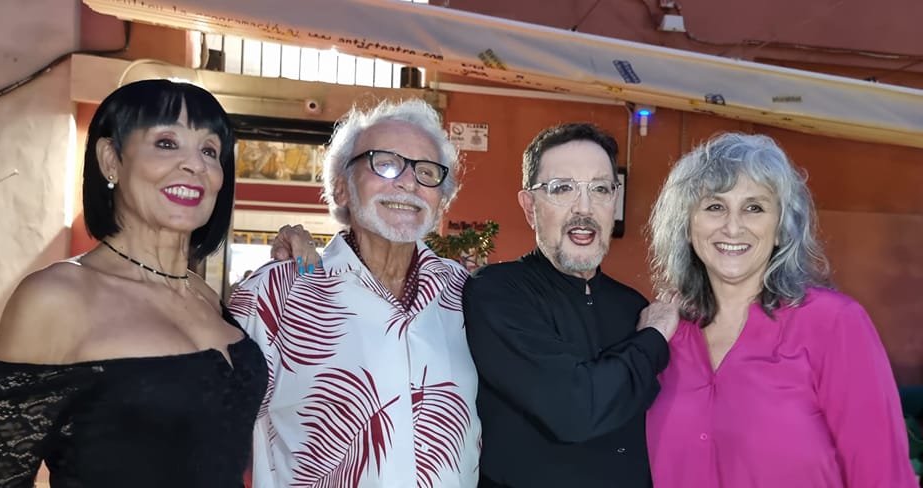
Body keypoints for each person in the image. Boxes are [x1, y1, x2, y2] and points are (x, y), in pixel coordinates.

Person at [0, 79, 268, 487]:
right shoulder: (57, 297)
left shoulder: (205, 296)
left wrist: (306, 267)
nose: (195, 165)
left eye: (209, 150)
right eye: (166, 143)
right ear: (111, 159)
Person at [229, 98, 482, 488]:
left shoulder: (468, 296)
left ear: (441, 201)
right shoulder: (276, 295)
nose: (409, 182)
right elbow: (205, 435)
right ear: (341, 188)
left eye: (427, 171)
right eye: (385, 163)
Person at [645, 132, 917, 487]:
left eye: (754, 208)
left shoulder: (834, 324)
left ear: (780, 229)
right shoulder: (661, 335)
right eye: (714, 206)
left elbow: (883, 474)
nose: (732, 226)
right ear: (686, 225)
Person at [462, 123, 678, 487]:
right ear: (529, 207)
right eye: (562, 188)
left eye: (600, 189)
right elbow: (574, 411)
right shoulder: (497, 292)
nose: (584, 207)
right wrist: (653, 337)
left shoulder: (633, 306)